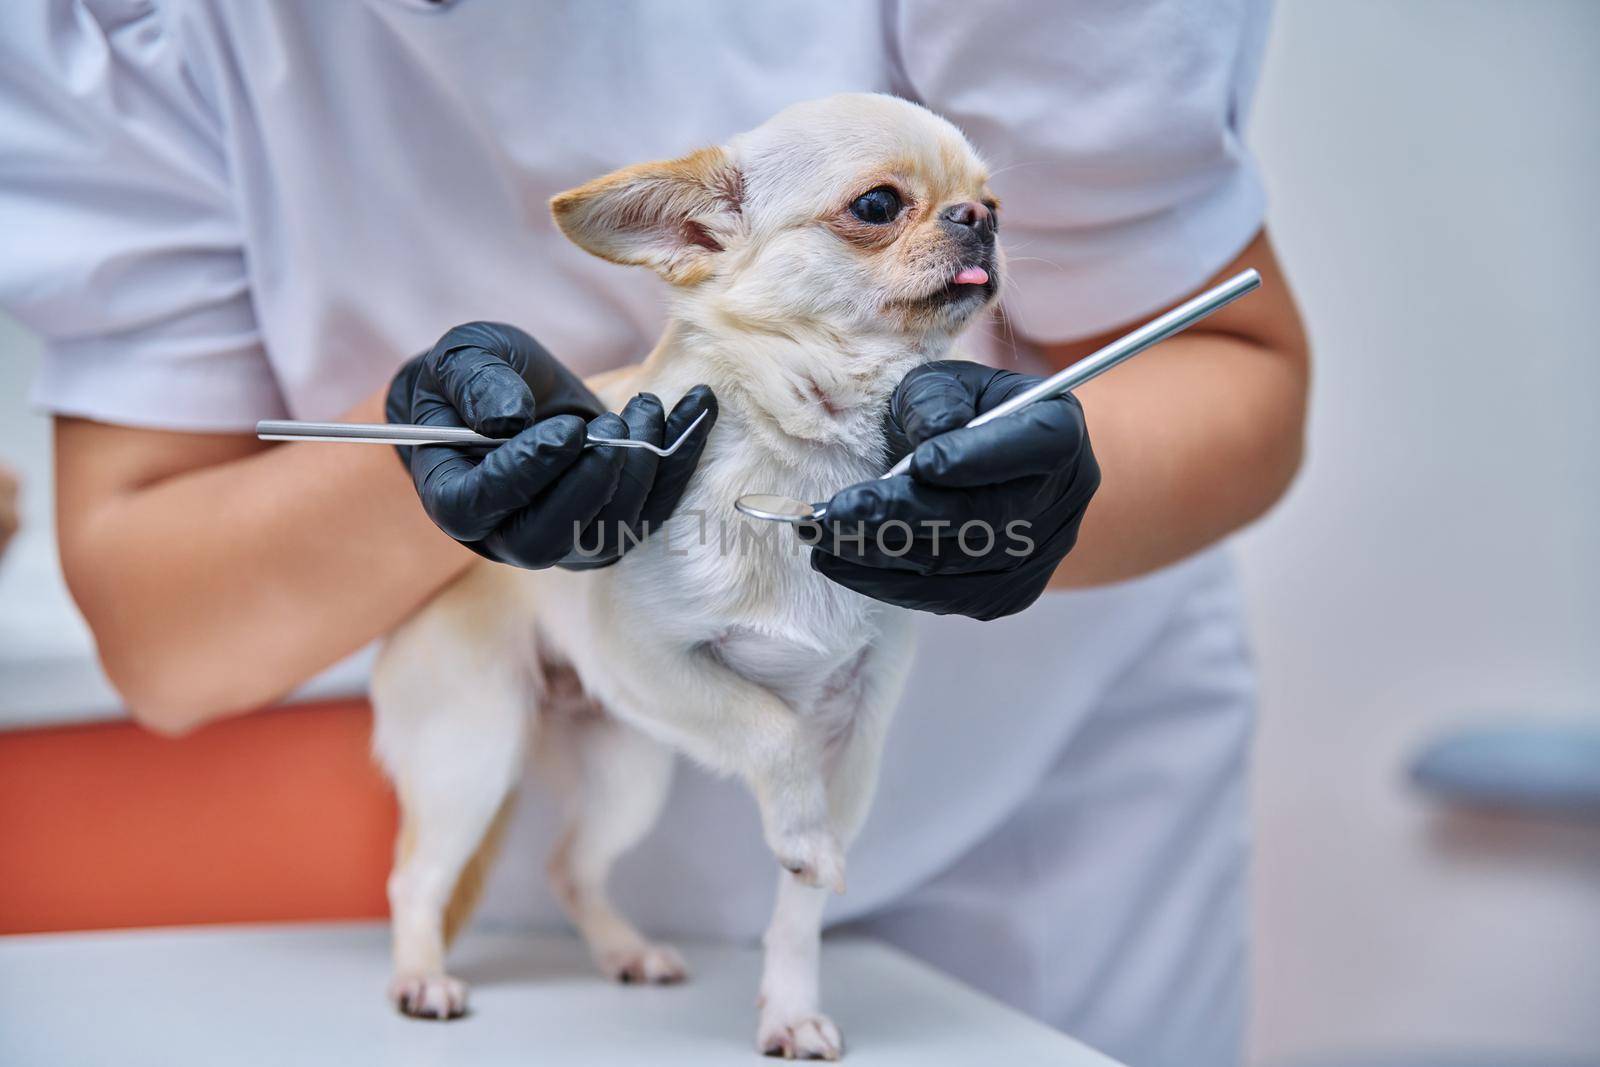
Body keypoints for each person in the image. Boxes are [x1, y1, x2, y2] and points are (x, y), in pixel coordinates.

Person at [0, 4, 1308, 1066]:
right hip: (566, 952)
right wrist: (433, 457)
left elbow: (1233, 363)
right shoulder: (116, 30)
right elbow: (163, 633)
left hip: (1028, 855)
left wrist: (1056, 487)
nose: (962, 229)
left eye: (974, 212)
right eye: (878, 210)